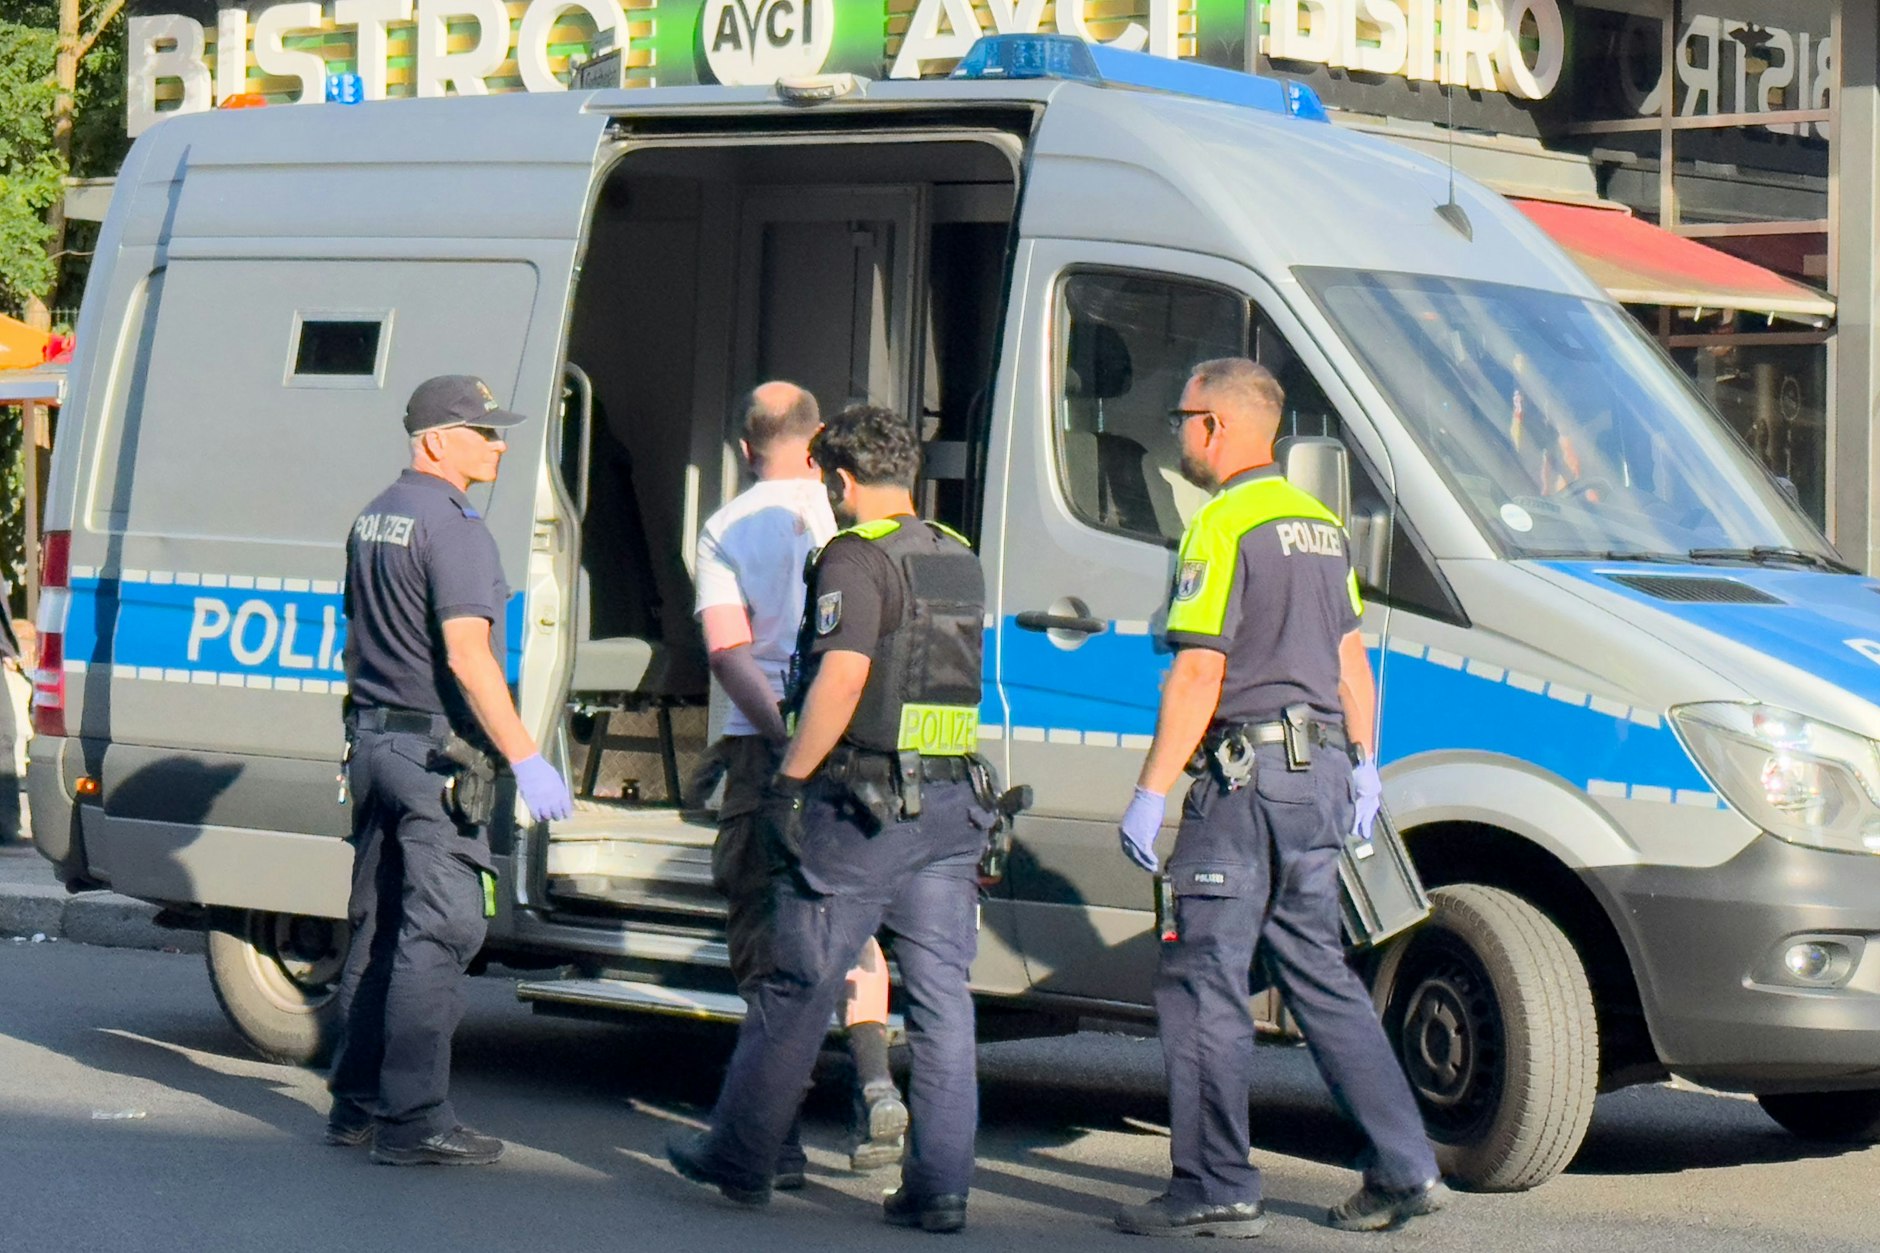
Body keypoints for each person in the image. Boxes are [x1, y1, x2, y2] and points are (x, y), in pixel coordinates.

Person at [1112, 358, 1446, 1237]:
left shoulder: (1222, 523)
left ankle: (1216, 1183)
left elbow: (1199, 668)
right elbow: (1350, 664)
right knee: (1320, 975)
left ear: (1216, 427)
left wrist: (1149, 792)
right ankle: (1406, 1164)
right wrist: (1365, 765)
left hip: (1245, 781)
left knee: (1201, 979)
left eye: (1182, 415)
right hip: (1323, 775)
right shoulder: (1317, 523)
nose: (1176, 432)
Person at [667, 404, 993, 1234]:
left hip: (864, 807)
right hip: (952, 805)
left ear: (840, 479)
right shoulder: (958, 556)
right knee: (943, 1001)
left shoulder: (854, 556)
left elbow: (842, 679)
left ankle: (740, 1157)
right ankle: (940, 1187)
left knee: (798, 979)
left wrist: (792, 775)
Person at [326, 374, 575, 1165]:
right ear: (437, 439)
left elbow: (355, 639)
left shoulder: (376, 516)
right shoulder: (456, 525)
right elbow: (469, 657)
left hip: (374, 744)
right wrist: (527, 757)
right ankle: (413, 1121)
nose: (499, 445)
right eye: (483, 431)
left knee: (381, 926)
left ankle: (355, 1105)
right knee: (441, 930)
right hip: (434, 753)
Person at [693, 381, 908, 1179]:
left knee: (766, 927)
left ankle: (771, 1132)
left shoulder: (723, 527)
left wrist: (788, 738)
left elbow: (727, 650)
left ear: (747, 446)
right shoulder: (853, 511)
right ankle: (876, 1085)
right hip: (861, 743)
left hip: (765, 745)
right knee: (851, 918)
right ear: (819, 437)